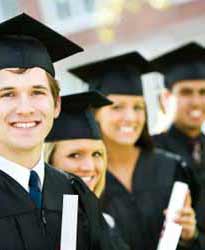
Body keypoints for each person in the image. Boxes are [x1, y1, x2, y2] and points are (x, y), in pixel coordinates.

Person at [0, 13, 114, 250]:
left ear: (56, 104)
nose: (25, 109)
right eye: (7, 94)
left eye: (37, 92)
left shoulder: (75, 192)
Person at [69, 52, 200, 250]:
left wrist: (190, 236)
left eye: (138, 107)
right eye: (117, 107)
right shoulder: (85, 177)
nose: (130, 117)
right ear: (95, 113)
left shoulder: (171, 167)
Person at [45, 90, 130, 250]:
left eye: (96, 154)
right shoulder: (32, 227)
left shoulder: (105, 224)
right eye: (75, 155)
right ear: (48, 160)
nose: (89, 167)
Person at [151, 42, 205, 249]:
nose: (196, 102)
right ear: (166, 98)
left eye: (202, 92)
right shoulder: (151, 152)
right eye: (186, 92)